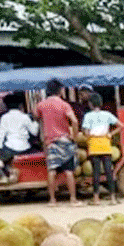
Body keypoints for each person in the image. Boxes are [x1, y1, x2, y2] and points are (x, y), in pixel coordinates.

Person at [36, 78, 82, 206]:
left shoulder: (41, 105)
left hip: (50, 141)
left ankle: (52, 200)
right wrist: (75, 135)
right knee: (68, 171)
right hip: (65, 140)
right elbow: (75, 121)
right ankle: (73, 199)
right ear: (60, 91)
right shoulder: (64, 105)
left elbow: (36, 116)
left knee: (52, 170)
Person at [81, 92, 122, 205]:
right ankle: (113, 198)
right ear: (100, 103)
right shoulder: (107, 114)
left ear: (90, 104)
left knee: (96, 173)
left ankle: (96, 199)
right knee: (109, 172)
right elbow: (121, 126)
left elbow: (86, 132)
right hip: (105, 144)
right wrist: (110, 134)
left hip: (94, 145)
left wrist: (89, 136)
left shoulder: (88, 116)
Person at [0, 93, 38, 184]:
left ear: (6, 105)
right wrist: (35, 121)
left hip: (10, 148)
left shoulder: (4, 118)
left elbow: (1, 137)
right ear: (20, 105)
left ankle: (3, 177)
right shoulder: (25, 117)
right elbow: (34, 132)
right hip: (25, 148)